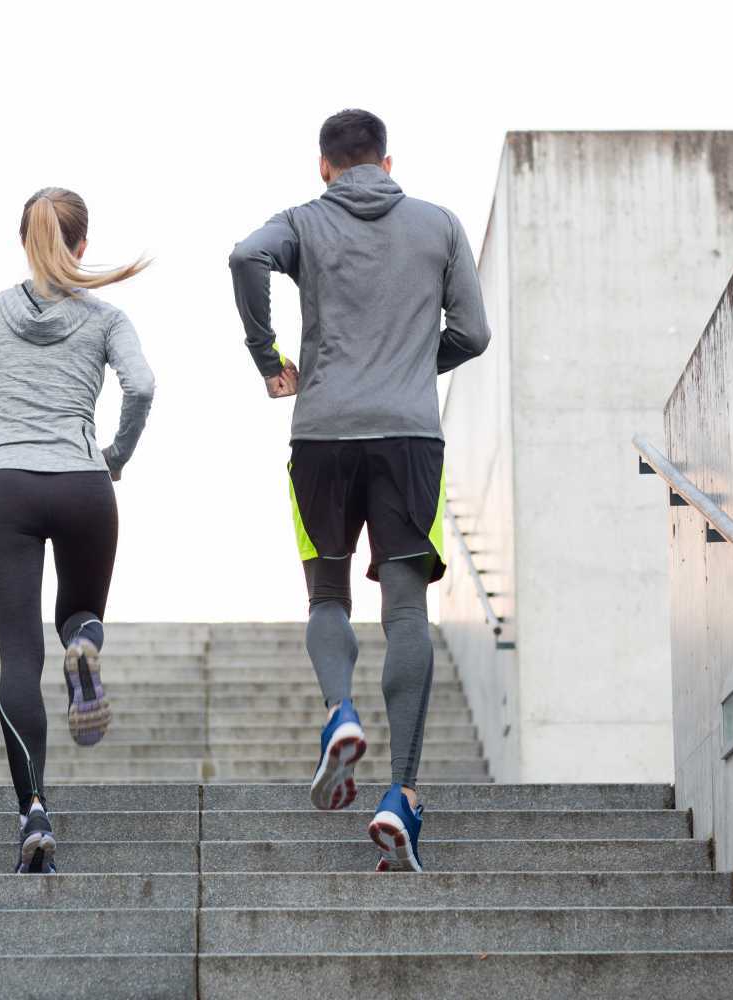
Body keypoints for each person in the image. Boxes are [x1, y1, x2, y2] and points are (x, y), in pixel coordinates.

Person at [228, 109, 490, 872]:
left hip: (321, 434)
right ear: (387, 159)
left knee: (326, 597)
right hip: (411, 437)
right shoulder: (438, 224)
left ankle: (339, 712)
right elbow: (472, 333)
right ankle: (399, 794)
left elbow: (246, 257)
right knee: (406, 608)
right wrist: (410, 364)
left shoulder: (303, 221)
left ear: (324, 165)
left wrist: (266, 356)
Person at [0, 187, 155, 874]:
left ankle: (34, 811)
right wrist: (116, 456)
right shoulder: (106, 317)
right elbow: (143, 386)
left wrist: (17, 405)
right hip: (83, 482)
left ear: (24, 241)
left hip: (7, 484)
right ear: (82, 246)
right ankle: (84, 644)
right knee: (78, 612)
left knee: (18, 658)